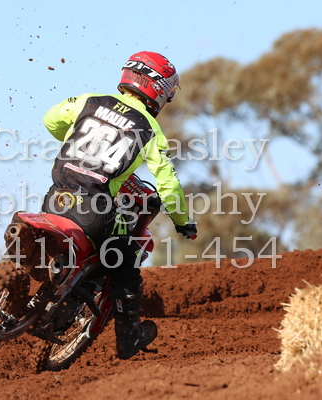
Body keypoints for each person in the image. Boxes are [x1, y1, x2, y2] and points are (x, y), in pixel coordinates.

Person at [41, 51, 197, 360]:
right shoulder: (150, 128)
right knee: (126, 261)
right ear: (159, 89)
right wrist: (183, 221)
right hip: (93, 211)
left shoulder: (89, 101)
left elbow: (51, 119)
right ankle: (129, 337)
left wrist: (73, 137)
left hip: (53, 199)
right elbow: (168, 185)